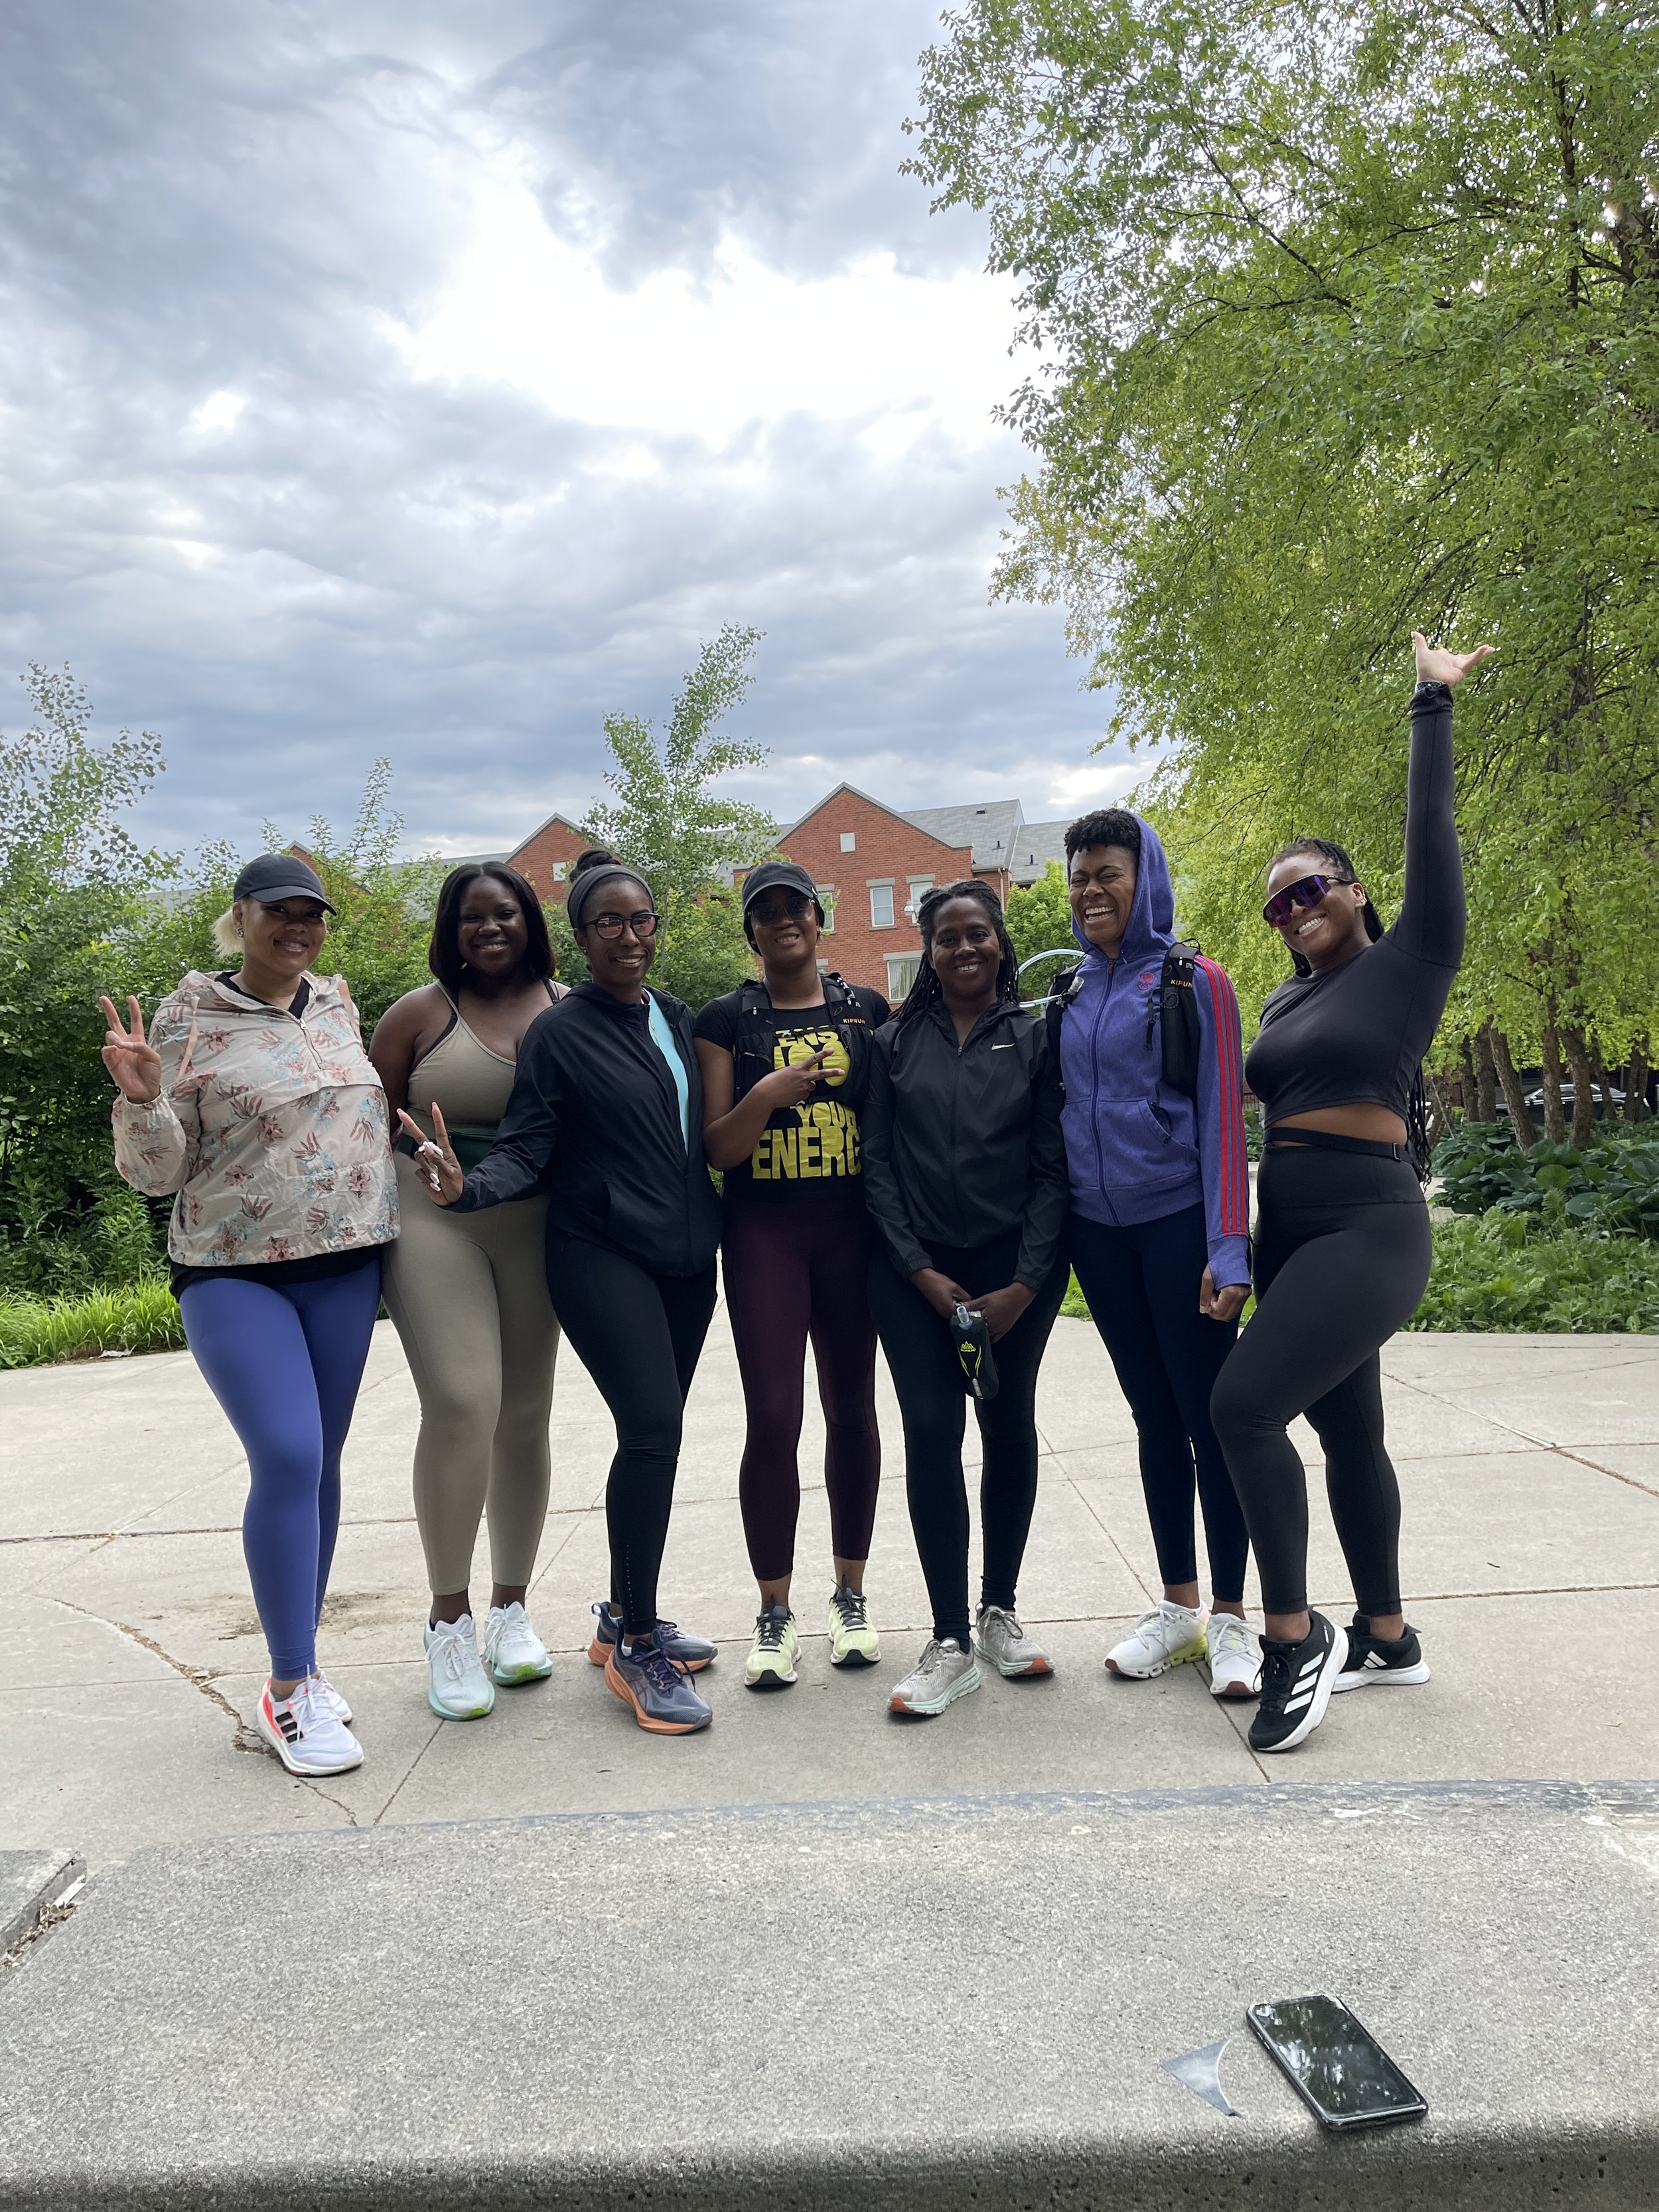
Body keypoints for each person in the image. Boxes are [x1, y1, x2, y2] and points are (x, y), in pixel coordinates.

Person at [1209, 633, 1491, 1753]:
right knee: (1349, 1434)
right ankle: (1388, 1634)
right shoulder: (1283, 1010)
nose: (1292, 911)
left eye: (1309, 890)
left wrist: (1430, 701)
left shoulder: (1409, 959)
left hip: (1370, 1228)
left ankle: (1294, 1639)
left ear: (1356, 890)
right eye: (1277, 906)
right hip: (1293, 1230)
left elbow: (1435, 836)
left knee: (1242, 1408)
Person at [402, 848, 723, 1735]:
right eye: (608, 922)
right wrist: (467, 1189)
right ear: (579, 937)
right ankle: (637, 1646)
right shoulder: (561, 1030)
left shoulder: (672, 1014)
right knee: (653, 1430)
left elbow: (697, 1136)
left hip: (689, 1262)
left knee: (655, 1437)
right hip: (598, 1255)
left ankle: (623, 1614)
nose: (629, 936)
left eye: (641, 919)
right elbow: (527, 1146)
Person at [100, 853, 397, 1779]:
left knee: (322, 1468)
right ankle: (286, 1687)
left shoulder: (337, 1004)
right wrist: (144, 1098)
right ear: (242, 918)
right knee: (289, 1454)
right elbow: (156, 1175)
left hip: (345, 1268)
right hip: (233, 1272)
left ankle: (305, 1671)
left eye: (311, 913)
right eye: (279, 912)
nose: (297, 926)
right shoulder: (190, 1018)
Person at [1054, 809, 1258, 1697]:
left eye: (1108, 873)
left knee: (1210, 1417)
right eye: (1079, 877)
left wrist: (1230, 1249)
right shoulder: (1067, 990)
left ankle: (1233, 1617)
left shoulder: (1194, 980)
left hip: (1179, 1226)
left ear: (1146, 878)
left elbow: (1223, 1119)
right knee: (1151, 1417)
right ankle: (1176, 1608)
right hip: (1099, 1240)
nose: (1091, 890)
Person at [861, 879, 1070, 1717]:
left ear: (1000, 942)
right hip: (913, 1275)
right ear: (929, 951)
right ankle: (949, 1639)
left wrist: (1022, 1284)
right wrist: (918, 1271)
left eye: (978, 934)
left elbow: (1055, 1169)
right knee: (932, 1431)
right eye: (948, 938)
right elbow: (875, 1167)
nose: (965, 949)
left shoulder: (1034, 1038)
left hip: (1013, 1274)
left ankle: (998, 1611)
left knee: (1006, 1423)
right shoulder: (890, 1043)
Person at [369, 863, 568, 1722]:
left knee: (525, 1413)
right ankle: (447, 1620)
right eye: (471, 917)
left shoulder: (570, 1006)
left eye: (507, 913)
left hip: (536, 1224)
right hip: (435, 1221)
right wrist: (418, 1163)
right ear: (450, 929)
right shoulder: (419, 1015)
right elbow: (366, 1123)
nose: (490, 928)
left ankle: (509, 1609)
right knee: (462, 1400)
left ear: (532, 922)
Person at [693, 861, 889, 1689]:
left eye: (795, 909)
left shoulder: (864, 1010)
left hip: (851, 1232)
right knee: (773, 1417)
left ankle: (850, 1593)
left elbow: (893, 1121)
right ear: (751, 930)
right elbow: (718, 1149)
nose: (783, 922)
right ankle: (773, 1611)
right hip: (764, 1233)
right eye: (765, 912)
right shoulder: (724, 1020)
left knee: (852, 1408)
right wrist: (765, 1095)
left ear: (819, 918)